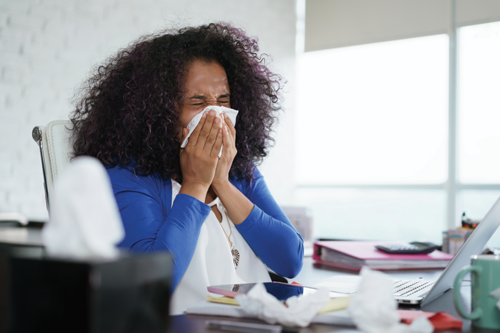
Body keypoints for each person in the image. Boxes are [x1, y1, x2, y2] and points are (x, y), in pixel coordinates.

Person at [69, 23, 304, 314]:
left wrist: (221, 182)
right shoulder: (127, 175)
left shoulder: (240, 171)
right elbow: (149, 287)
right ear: (158, 111)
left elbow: (290, 261)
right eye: (198, 102)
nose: (216, 115)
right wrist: (195, 185)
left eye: (223, 100)